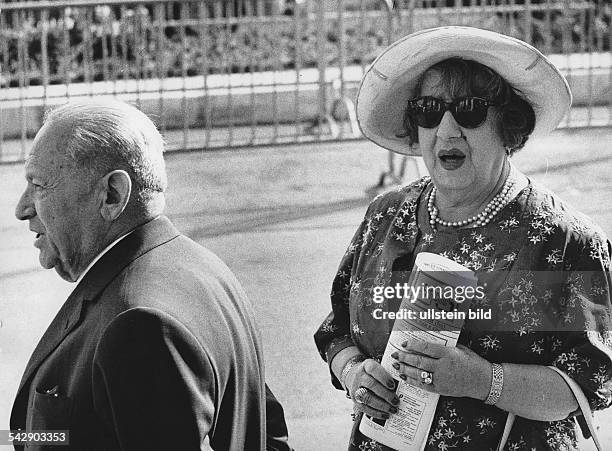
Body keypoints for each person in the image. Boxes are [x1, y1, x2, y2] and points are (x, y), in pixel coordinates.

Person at [315, 27, 612, 450]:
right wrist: (355, 375)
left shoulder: (564, 242)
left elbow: (589, 381)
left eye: (469, 110)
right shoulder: (385, 217)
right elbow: (337, 331)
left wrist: (482, 380)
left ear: (507, 125)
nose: (447, 128)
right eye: (429, 111)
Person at [10, 99, 289, 450]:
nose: (22, 208)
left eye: (38, 185)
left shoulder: (140, 327)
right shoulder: (200, 268)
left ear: (112, 195)